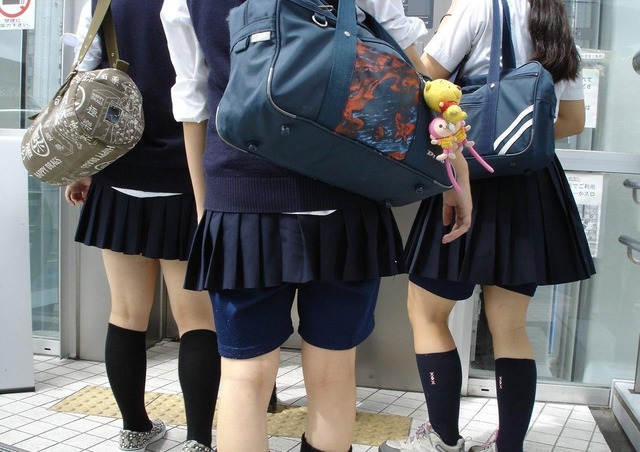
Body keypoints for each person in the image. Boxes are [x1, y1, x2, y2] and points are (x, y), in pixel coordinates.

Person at [160, 1, 472, 451]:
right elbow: (414, 80)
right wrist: (453, 167)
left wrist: (206, 207)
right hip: (348, 188)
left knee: (244, 376)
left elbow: (192, 102)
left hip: (242, 197)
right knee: (333, 369)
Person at [379, 0, 596, 451]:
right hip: (532, 183)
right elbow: (572, 120)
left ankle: (442, 439)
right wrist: (515, 133)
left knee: (427, 312)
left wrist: (482, 133)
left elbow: (423, 81)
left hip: (468, 173)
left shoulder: (478, 6)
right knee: (510, 326)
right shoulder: (555, 18)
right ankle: (508, 446)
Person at [64, 1, 221, 451]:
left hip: (119, 173)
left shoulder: (105, 1)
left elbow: (84, 81)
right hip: (188, 178)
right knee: (197, 320)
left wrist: (82, 167)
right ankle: (197, 441)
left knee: (126, 313)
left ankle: (135, 429)